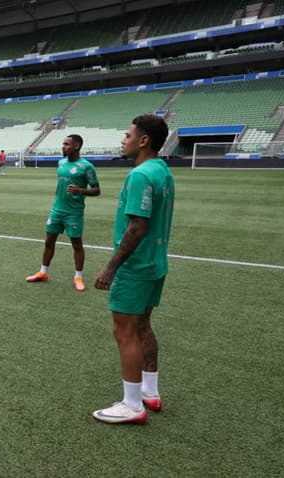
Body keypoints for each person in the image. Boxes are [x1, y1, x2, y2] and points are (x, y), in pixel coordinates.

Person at [92, 114, 173, 424]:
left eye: (127, 135)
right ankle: (149, 392)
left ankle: (132, 405)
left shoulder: (139, 175)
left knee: (125, 331)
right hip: (155, 263)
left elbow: (137, 226)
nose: (123, 140)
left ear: (143, 140)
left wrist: (112, 267)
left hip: (135, 267)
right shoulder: (163, 171)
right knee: (143, 326)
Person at [25, 134, 100, 291]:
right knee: (48, 241)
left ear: (76, 146)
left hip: (74, 212)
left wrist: (80, 191)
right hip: (57, 210)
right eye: (63, 144)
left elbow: (96, 190)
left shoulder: (86, 166)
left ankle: (78, 276)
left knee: (76, 245)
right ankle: (43, 272)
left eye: (67, 144)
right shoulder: (61, 163)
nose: (63, 146)